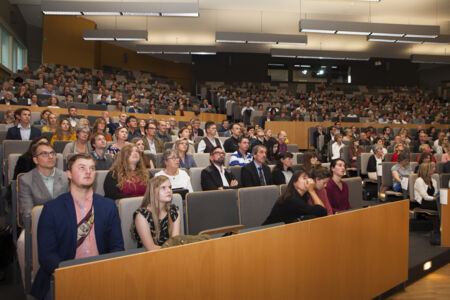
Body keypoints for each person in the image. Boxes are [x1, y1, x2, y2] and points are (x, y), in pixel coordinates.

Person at [30, 153, 124, 300]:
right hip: (63, 275)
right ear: (69, 174)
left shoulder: (108, 206)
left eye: (92, 168)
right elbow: (47, 256)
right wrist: (72, 275)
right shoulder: (52, 209)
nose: (88, 172)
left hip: (101, 274)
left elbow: (117, 247)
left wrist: (104, 272)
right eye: (82, 168)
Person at [132, 176, 181, 250]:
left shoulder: (174, 211)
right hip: (149, 257)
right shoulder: (142, 216)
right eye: (163, 188)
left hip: (170, 253)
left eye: (170, 187)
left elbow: (175, 242)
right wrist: (171, 250)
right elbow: (151, 248)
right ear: (153, 191)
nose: (169, 191)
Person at [263, 169, 327, 225]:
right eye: (304, 178)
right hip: (269, 230)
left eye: (308, 178)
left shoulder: (303, 197)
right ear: (294, 183)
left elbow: (322, 212)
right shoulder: (291, 199)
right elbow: (322, 212)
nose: (307, 181)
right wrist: (312, 191)